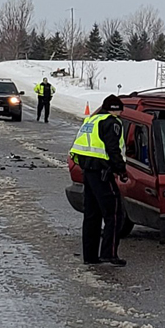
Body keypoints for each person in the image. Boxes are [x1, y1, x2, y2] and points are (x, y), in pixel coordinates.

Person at [69, 94, 128, 266]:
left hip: (88, 171)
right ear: (116, 110)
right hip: (103, 172)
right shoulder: (112, 122)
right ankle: (109, 254)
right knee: (115, 213)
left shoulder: (91, 121)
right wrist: (121, 169)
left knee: (92, 215)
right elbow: (113, 148)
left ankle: (90, 256)